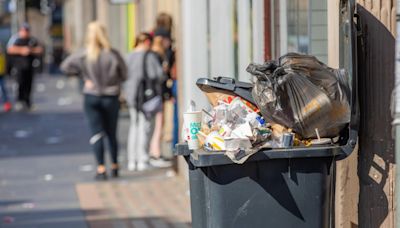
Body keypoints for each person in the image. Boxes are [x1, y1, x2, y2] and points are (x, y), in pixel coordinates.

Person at [61, 21, 127, 180]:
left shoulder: (84, 54)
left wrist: (83, 77)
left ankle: (101, 168)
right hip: (111, 96)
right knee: (111, 132)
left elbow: (65, 66)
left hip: (91, 96)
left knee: (96, 134)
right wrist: (114, 82)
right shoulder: (113, 53)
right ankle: (115, 166)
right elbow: (124, 74)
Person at [125, 33, 164, 171]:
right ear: (147, 42)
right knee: (145, 127)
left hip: (131, 96)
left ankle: (131, 160)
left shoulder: (128, 56)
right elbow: (158, 74)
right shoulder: (150, 56)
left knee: (133, 127)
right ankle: (142, 159)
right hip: (146, 97)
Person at [7, 23, 43, 110]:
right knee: (20, 84)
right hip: (18, 67)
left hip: (29, 67)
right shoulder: (16, 39)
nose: (25, 33)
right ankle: (19, 101)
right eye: (24, 30)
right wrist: (21, 50)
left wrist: (30, 50)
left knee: (29, 85)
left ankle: (28, 102)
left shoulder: (32, 40)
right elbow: (10, 49)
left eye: (27, 31)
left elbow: (40, 49)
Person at [0, 43, 11, 112]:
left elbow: (5, 65)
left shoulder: (3, 56)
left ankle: (6, 103)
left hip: (1, 75)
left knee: (3, 89)